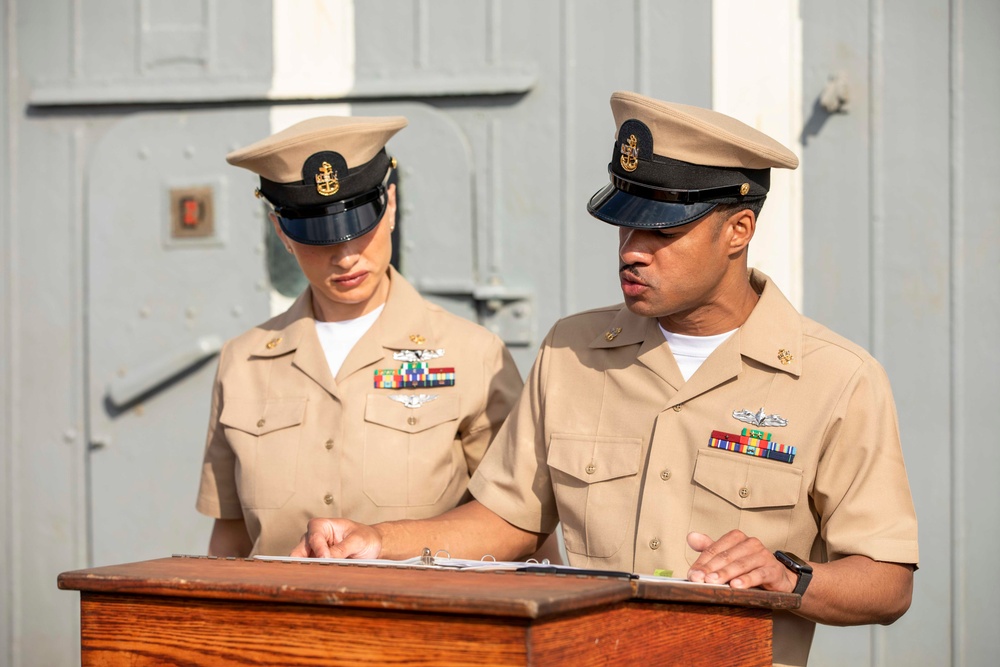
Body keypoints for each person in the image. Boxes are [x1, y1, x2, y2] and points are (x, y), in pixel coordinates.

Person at [290, 92, 919, 667]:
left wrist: (791, 577)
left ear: (739, 230)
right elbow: (506, 521)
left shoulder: (837, 379)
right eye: (624, 221)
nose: (632, 249)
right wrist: (375, 541)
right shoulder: (572, 352)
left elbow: (887, 582)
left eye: (663, 230)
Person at [195, 115, 523, 557]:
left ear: (390, 204)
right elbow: (231, 542)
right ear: (282, 234)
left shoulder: (474, 356)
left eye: (360, 227)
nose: (346, 256)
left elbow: (514, 524)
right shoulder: (243, 364)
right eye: (318, 236)